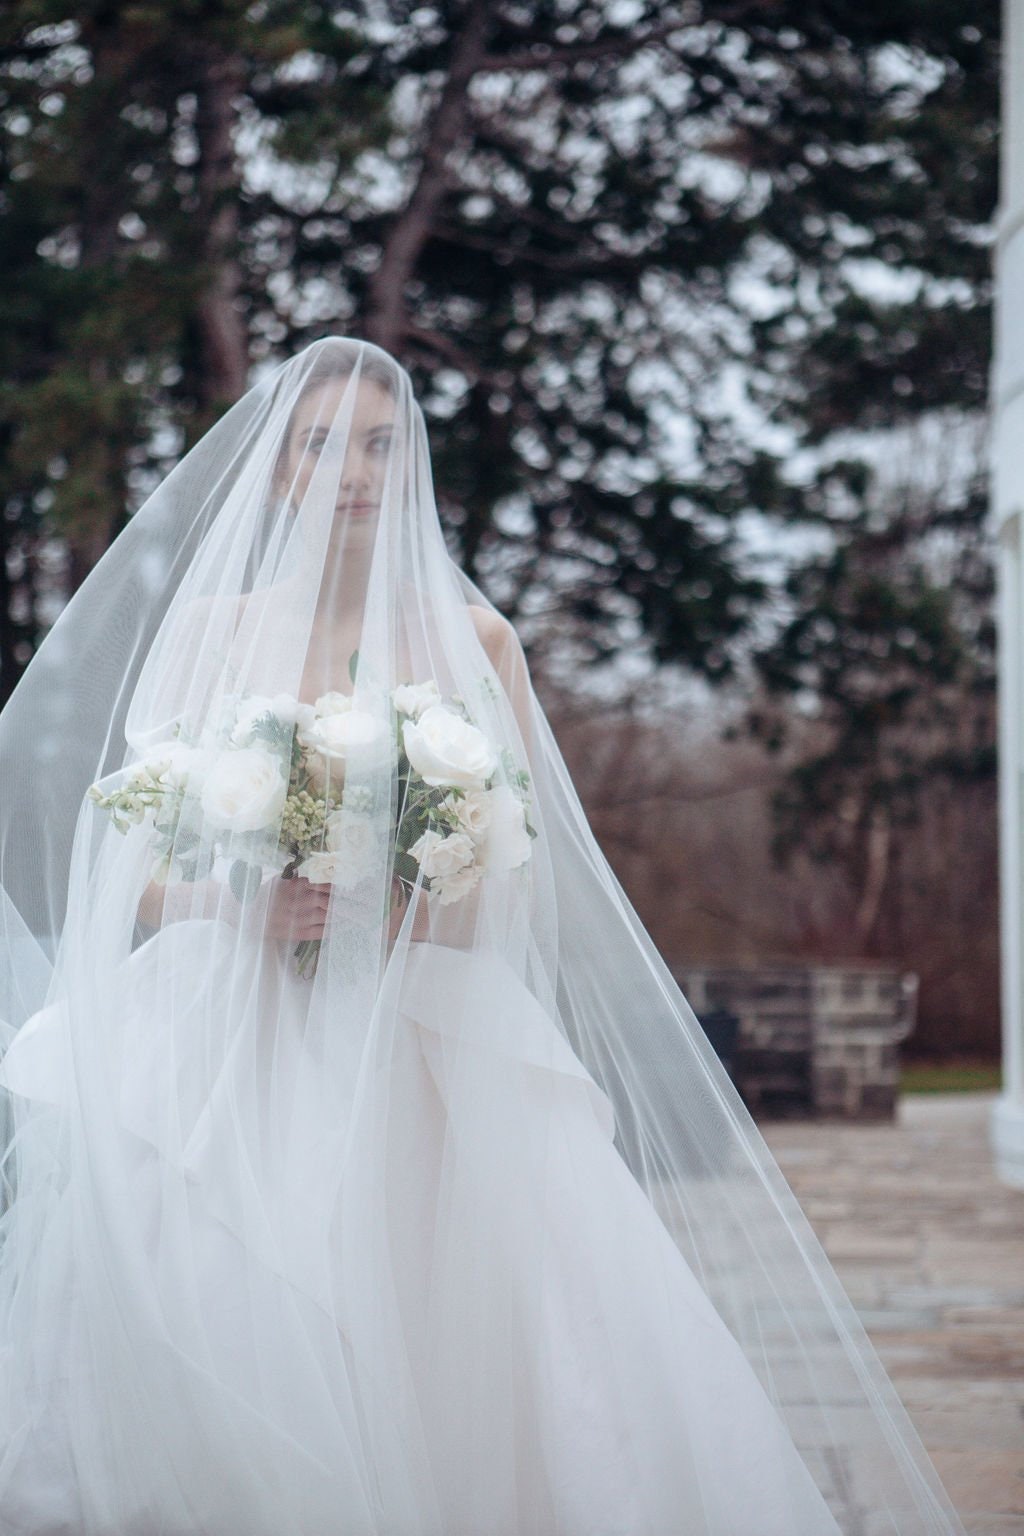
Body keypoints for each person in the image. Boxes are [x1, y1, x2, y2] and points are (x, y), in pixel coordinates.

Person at [0, 338, 966, 1535]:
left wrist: (413, 895)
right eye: (322, 445)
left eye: (378, 443)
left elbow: (511, 866)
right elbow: (134, 868)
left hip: (412, 1025)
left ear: (408, 463)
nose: (353, 470)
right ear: (281, 470)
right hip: (227, 1029)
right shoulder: (210, 627)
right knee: (216, 1285)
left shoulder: (479, 641)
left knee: (442, 1312)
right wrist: (241, 905)